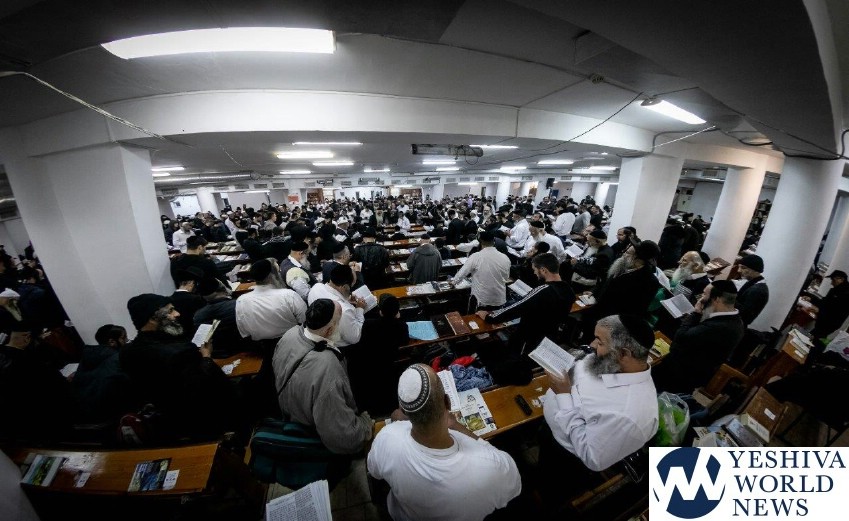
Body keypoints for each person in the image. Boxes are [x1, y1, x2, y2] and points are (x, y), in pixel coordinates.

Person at [367, 364, 521, 521]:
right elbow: (514, 484)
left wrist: (397, 422)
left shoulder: (386, 437)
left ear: (404, 411)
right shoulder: (492, 466)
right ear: (448, 403)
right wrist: (456, 425)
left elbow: (374, 472)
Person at [541, 315, 658, 478]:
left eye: (600, 342)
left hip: (566, 457)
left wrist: (563, 395)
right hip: (553, 425)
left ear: (624, 354)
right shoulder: (611, 361)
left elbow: (592, 458)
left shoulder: (629, 416)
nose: (592, 345)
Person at [120, 294, 242, 441]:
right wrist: (206, 357)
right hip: (201, 419)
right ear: (152, 318)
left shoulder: (126, 353)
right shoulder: (180, 352)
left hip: (168, 422)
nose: (177, 314)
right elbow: (203, 388)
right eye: (171, 311)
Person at [273, 298, 373, 454]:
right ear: (329, 331)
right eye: (339, 322)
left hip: (290, 409)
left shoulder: (290, 334)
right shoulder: (328, 366)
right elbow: (343, 436)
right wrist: (364, 425)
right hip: (311, 433)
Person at [651, 280, 745, 393]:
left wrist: (695, 313)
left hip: (681, 375)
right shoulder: (737, 320)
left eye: (704, 294)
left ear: (717, 299)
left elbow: (681, 337)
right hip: (689, 370)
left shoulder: (720, 327)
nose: (701, 298)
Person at [479, 253, 575, 356]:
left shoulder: (544, 290)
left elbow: (516, 308)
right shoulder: (569, 290)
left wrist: (489, 317)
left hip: (528, 339)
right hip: (549, 338)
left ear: (543, 270)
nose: (534, 273)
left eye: (535, 269)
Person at [0, 324, 76, 443]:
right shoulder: (28, 361)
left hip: (15, 425)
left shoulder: (5, 356)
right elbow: (55, 386)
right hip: (44, 420)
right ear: (27, 337)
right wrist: (67, 380)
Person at [345, 294, 409, 416]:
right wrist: (398, 319)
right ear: (397, 312)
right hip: (388, 366)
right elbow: (405, 340)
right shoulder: (401, 327)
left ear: (380, 311)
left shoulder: (368, 324)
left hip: (368, 366)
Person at [582, 240, 661, 339]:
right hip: (597, 312)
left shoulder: (649, 281)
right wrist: (594, 291)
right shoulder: (623, 265)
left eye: (628, 253)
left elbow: (635, 310)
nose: (623, 254)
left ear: (638, 259)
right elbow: (606, 281)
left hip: (612, 324)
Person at [71, 324, 134, 423]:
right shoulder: (117, 358)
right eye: (123, 338)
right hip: (109, 416)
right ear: (112, 341)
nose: (126, 341)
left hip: (82, 415)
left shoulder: (88, 356)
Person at [235, 259, 307, 341]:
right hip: (293, 341)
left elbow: (244, 332)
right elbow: (304, 319)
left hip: (261, 345)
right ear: (272, 276)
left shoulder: (241, 300)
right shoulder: (289, 295)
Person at [307, 264, 366, 347]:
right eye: (352, 286)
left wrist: (346, 298)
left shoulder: (316, 287)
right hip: (339, 346)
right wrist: (360, 309)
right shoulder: (343, 310)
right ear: (344, 287)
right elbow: (354, 338)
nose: (351, 290)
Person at [451, 231, 510, 312]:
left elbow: (462, 273)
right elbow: (506, 277)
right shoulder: (505, 257)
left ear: (480, 242)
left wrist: (453, 282)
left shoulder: (476, 256)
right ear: (494, 241)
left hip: (481, 299)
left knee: (474, 318)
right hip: (499, 298)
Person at [194, 277, 246, 358]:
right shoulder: (239, 305)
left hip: (216, 355)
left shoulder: (197, 316)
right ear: (223, 289)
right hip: (244, 350)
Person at [809, 270, 849, 339]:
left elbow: (836, 312)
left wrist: (819, 311)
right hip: (824, 322)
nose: (832, 283)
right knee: (812, 336)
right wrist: (811, 299)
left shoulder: (846, 294)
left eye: (833, 280)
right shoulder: (835, 290)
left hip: (828, 324)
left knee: (814, 338)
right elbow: (825, 302)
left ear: (841, 279)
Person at [169, 267, 207, 341]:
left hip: (180, 338)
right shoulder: (195, 299)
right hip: (197, 335)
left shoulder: (169, 299)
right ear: (191, 283)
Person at [735, 254, 769, 326]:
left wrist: (728, 297)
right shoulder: (753, 283)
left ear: (755, 270)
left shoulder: (758, 291)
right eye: (739, 267)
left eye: (743, 268)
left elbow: (745, 315)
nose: (739, 270)